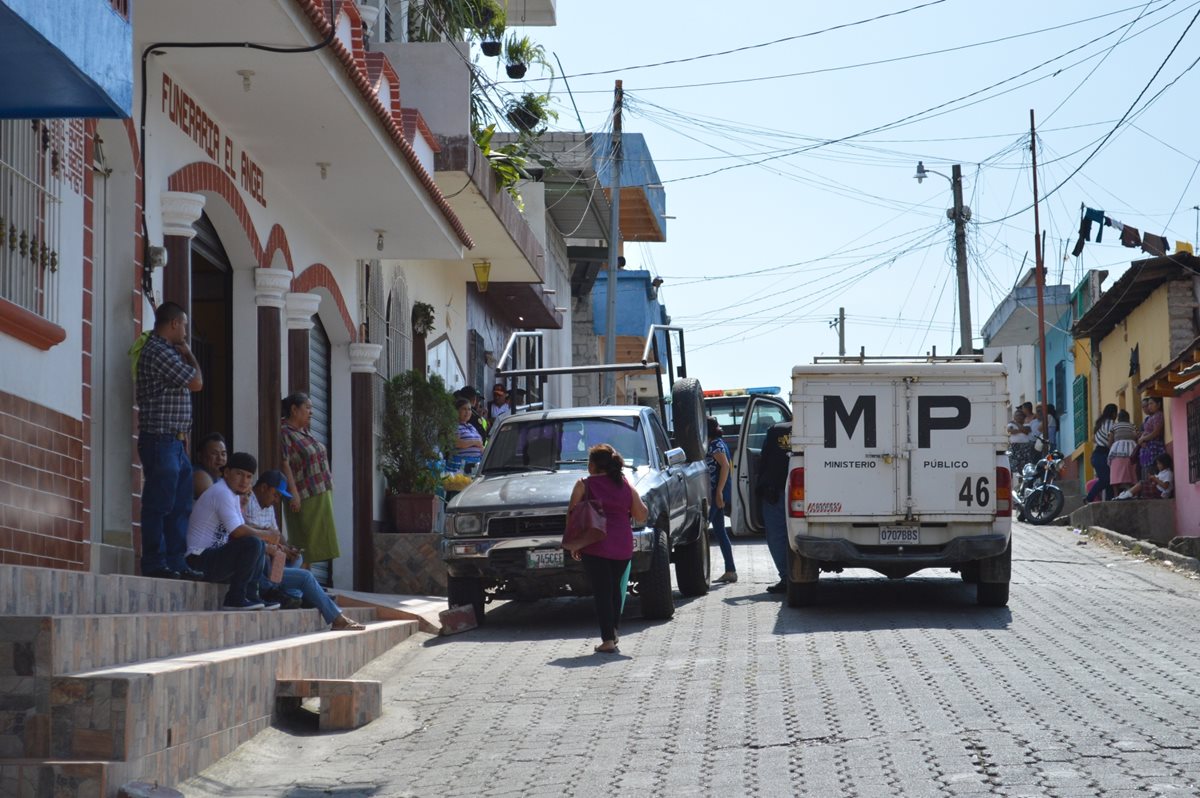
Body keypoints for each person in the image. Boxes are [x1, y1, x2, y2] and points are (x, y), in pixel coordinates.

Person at [245, 469, 365, 630]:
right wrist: (271, 543)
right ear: (263, 488)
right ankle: (335, 617)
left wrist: (287, 549)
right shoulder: (245, 501)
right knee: (306, 577)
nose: (276, 500)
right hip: (259, 564)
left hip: (272, 561)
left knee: (298, 559)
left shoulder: (268, 507)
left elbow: (277, 535)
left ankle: (296, 594)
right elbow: (246, 534)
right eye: (275, 495)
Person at [136, 301, 205, 580]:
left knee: (179, 507)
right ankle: (155, 562)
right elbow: (197, 382)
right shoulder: (159, 352)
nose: (186, 331)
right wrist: (190, 355)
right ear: (174, 323)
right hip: (161, 440)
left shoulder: (166, 352)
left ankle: (176, 562)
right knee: (159, 504)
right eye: (185, 325)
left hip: (176, 443)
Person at [567, 444, 648, 654]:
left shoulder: (583, 485)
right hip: (622, 545)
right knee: (614, 589)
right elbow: (641, 515)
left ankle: (608, 640)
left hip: (595, 544)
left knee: (603, 591)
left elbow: (572, 515)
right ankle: (613, 632)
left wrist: (575, 542)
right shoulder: (624, 484)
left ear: (592, 465)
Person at [185, 452, 275, 610]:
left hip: (212, 558)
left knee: (257, 543)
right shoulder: (222, 492)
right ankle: (235, 598)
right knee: (254, 543)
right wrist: (267, 536)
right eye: (239, 474)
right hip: (197, 560)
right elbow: (238, 532)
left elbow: (243, 530)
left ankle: (252, 596)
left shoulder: (233, 495)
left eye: (248, 477)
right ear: (226, 472)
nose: (244, 481)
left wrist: (266, 542)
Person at [279, 392, 341, 573]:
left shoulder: (305, 431)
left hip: (320, 489)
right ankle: (302, 581)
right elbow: (285, 463)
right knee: (305, 538)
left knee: (316, 540)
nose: (311, 412)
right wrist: (294, 493)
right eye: (307, 408)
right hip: (303, 492)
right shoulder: (285, 432)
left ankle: (309, 580)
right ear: (294, 409)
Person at [757, 421, 792, 594]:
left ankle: (786, 577)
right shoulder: (817, 428)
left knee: (777, 536)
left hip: (776, 492)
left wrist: (761, 486)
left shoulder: (776, 431)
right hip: (807, 491)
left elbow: (764, 460)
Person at [705, 417, 737, 584]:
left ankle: (701, 574)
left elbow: (724, 466)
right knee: (719, 531)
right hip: (718, 492)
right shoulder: (717, 442)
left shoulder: (715, 445)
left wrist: (718, 492)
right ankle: (730, 570)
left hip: (717, 492)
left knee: (702, 531)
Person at [1085, 403, 1119, 503]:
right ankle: (1089, 498)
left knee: (1109, 480)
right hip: (1102, 455)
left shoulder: (1100, 424)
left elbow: (1094, 439)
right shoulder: (1110, 424)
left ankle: (1109, 501)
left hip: (1097, 454)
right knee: (1106, 480)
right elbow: (1110, 439)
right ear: (1113, 413)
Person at [1136, 396, 1166, 485]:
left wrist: (1143, 438)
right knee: (1146, 470)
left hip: (1154, 448)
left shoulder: (1159, 415)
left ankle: (1152, 490)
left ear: (1159, 404)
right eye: (1148, 404)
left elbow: (1156, 432)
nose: (1149, 406)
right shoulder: (1150, 418)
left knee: (1152, 469)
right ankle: (1147, 490)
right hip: (1147, 448)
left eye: (1151, 403)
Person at [1108, 409, 1138, 496]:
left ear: (1119, 418)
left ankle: (1116, 495)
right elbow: (1136, 435)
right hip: (1131, 450)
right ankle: (1133, 493)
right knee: (1132, 473)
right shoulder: (1132, 425)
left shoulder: (1114, 426)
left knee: (1116, 473)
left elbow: (1110, 440)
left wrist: (1111, 448)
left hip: (1117, 450)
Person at [450, 397, 485, 471]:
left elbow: (480, 445)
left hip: (477, 465)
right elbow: (457, 443)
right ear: (457, 411)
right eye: (464, 409)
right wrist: (475, 442)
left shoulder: (471, 427)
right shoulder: (454, 426)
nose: (467, 412)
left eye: (469, 409)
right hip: (462, 467)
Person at [193, 432, 228, 499]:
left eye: (223, 454)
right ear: (200, 457)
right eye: (214, 453)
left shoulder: (221, 478)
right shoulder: (199, 475)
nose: (220, 458)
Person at [1007, 408, 1033, 477]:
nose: (1019, 417)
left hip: (1025, 447)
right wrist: (1021, 430)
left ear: (1024, 417)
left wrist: (1016, 424)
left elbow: (1026, 430)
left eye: (1021, 415)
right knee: (1015, 465)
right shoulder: (1010, 424)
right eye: (1017, 415)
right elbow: (1010, 431)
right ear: (1014, 417)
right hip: (1014, 447)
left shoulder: (1027, 425)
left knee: (1025, 464)